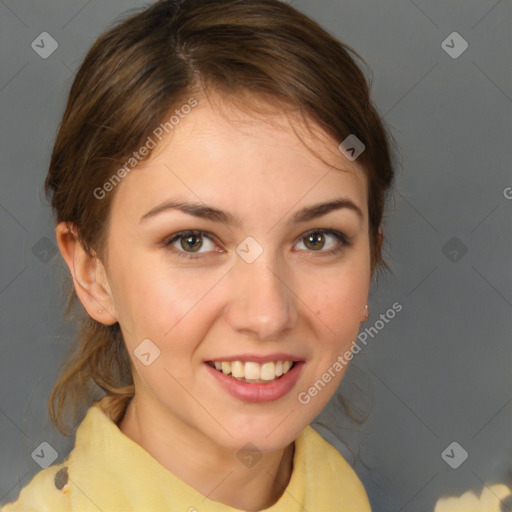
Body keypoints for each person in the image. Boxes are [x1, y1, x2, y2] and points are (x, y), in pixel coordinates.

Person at [2, 0, 397, 510]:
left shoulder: (339, 492)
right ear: (92, 272)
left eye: (317, 239)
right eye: (193, 241)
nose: (267, 315)